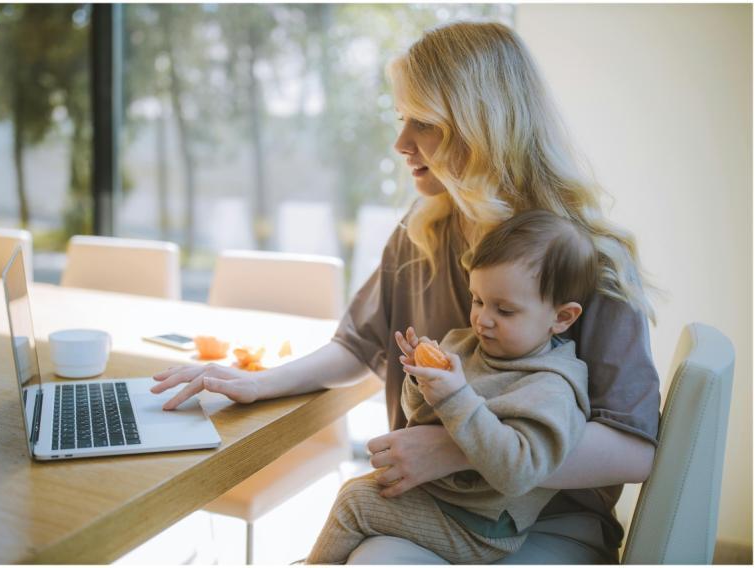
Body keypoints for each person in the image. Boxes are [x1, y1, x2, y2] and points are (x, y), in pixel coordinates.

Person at [151, 20, 660, 564]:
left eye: (425, 123)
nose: (400, 143)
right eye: (401, 120)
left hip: (546, 523)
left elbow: (633, 451)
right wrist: (261, 382)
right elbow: (358, 346)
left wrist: (456, 448)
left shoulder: (588, 260)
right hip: (434, 503)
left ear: (482, 126)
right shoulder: (422, 232)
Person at [306, 210, 596, 564]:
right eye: (478, 300)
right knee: (359, 490)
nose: (482, 319)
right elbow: (421, 416)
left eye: (504, 310)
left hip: (480, 528)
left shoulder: (552, 387)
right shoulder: (467, 344)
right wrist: (421, 379)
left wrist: (456, 397)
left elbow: (519, 472)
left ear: (562, 317)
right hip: (442, 499)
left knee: (355, 504)